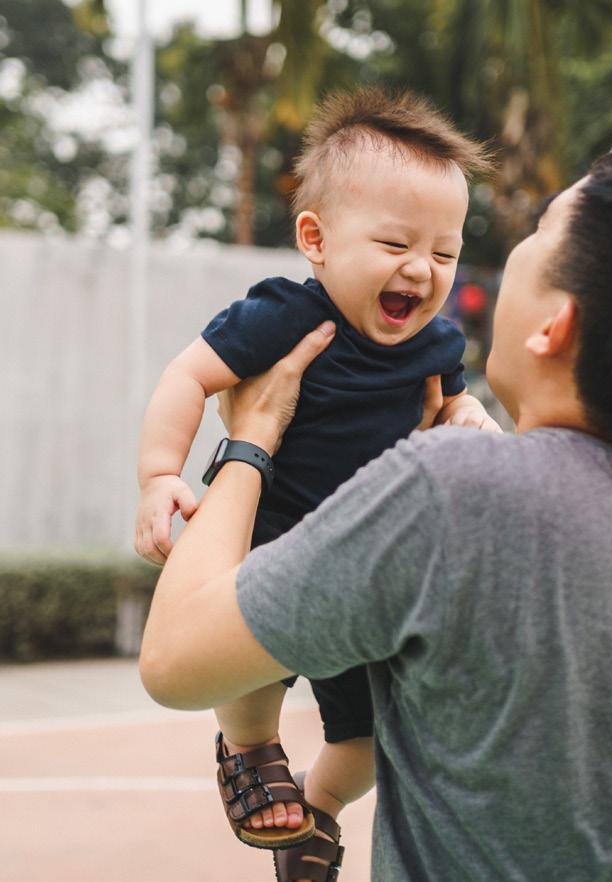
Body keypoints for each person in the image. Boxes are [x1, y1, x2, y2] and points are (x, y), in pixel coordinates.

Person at [140, 121, 612, 882]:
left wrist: (252, 439)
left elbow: (172, 663)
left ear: (556, 324)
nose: (430, 270)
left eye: (543, 228)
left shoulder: (457, 493)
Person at [133, 88, 500, 870]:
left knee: (371, 739)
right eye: (396, 243)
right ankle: (249, 748)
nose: (421, 269)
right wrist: (160, 474)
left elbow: (456, 408)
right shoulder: (281, 317)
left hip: (367, 568)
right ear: (316, 239)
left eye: (444, 253)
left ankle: (320, 811)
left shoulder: (436, 345)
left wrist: (470, 419)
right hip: (266, 541)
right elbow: (188, 377)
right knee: (251, 672)